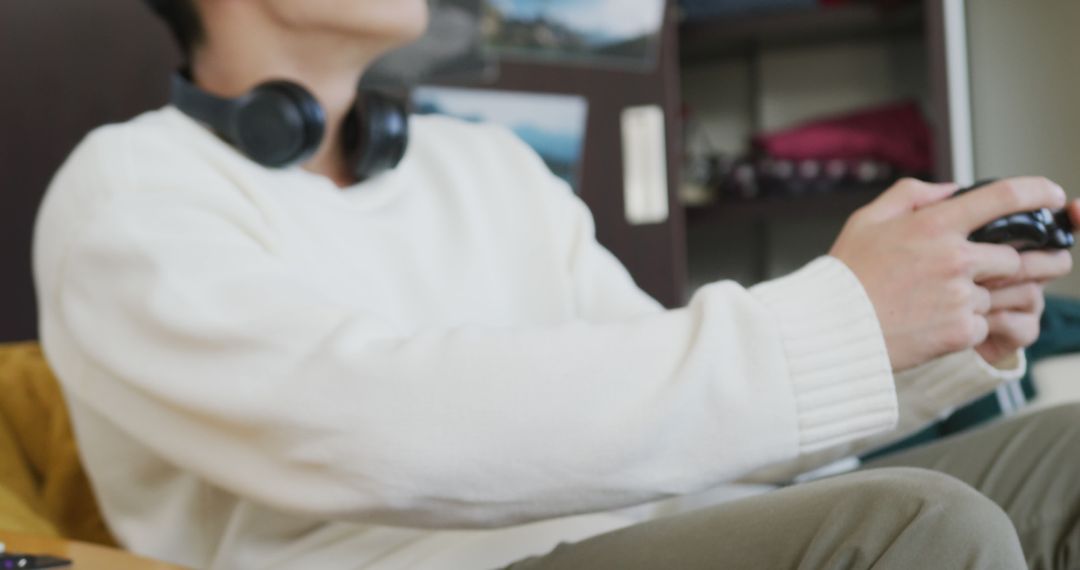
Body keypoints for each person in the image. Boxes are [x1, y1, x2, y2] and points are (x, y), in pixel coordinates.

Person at [31, 1, 1080, 568]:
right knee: (921, 530)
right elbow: (380, 433)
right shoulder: (127, 189)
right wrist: (838, 318)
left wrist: (917, 335)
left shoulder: (475, 163)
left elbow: (687, 414)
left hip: (626, 529)